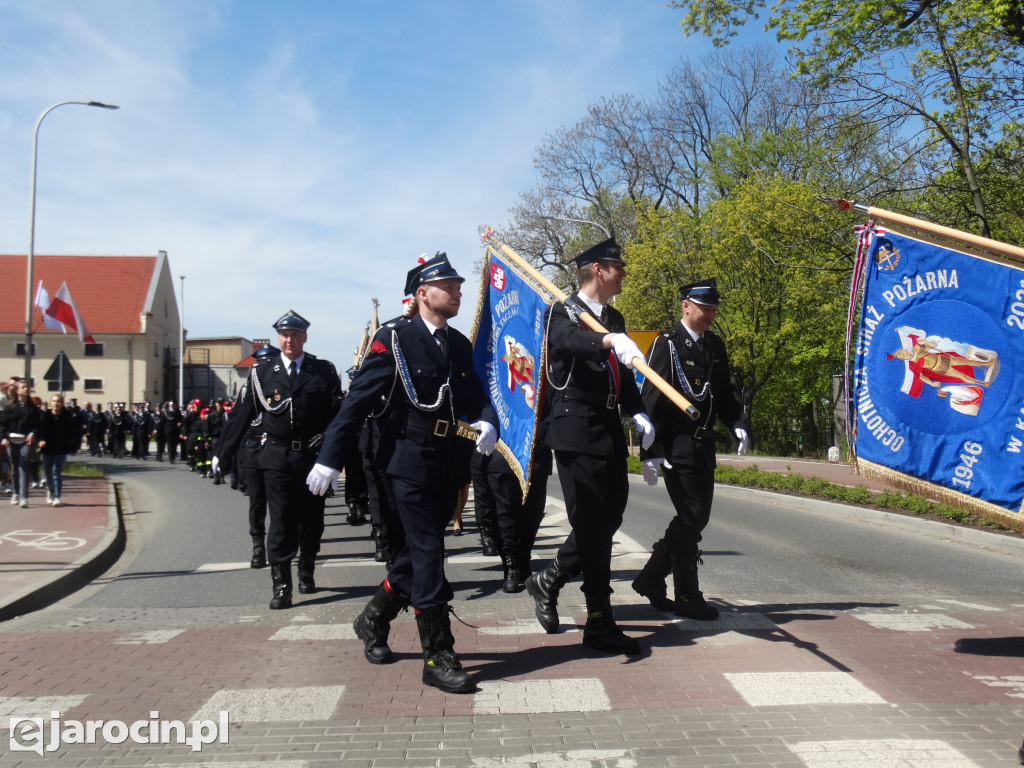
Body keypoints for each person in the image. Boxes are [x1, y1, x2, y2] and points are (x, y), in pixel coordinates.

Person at [307, 252, 499, 694]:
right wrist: (329, 458)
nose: (457, 292)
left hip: (448, 459)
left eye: (458, 286)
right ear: (423, 294)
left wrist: (488, 421)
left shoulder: (458, 343)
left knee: (416, 553)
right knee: (429, 552)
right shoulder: (393, 338)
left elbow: (474, 394)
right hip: (407, 460)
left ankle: (373, 618)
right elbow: (357, 402)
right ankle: (438, 654)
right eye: (448, 286)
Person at [524, 236, 655, 656]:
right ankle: (599, 621)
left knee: (609, 517)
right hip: (575, 428)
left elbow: (623, 372)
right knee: (593, 524)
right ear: (598, 269)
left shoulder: (613, 317)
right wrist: (607, 341)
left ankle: (549, 578)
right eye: (618, 267)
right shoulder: (562, 311)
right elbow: (568, 342)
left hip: (608, 426)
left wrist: (639, 411)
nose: (623, 273)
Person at [633, 278, 749, 620]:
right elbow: (651, 398)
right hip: (676, 444)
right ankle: (686, 594)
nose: (711, 314)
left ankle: (652, 578)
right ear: (686, 306)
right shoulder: (666, 344)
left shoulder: (714, 345)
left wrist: (738, 422)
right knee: (692, 516)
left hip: (703, 445)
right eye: (705, 308)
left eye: (714, 309)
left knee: (696, 518)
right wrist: (650, 451)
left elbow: (724, 394)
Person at [214, 311, 342, 609]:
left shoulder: (322, 370)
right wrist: (223, 452)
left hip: (312, 459)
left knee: (312, 521)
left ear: (304, 337)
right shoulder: (262, 373)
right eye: (284, 335)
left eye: (295, 335)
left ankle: (306, 566)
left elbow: (337, 416)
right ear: (278, 338)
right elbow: (242, 415)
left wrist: (328, 443)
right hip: (276, 457)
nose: (289, 340)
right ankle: (282, 585)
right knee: (281, 521)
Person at [0, 379, 42, 508]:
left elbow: (38, 424)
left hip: (25, 441)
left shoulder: (33, 408)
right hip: (11, 440)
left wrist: (33, 433)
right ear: (17, 390)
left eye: (27, 387)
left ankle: (24, 497)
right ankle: (16, 493)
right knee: (14, 468)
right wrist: (3, 438)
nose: (26, 389)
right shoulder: (10, 407)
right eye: (23, 387)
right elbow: (2, 424)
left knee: (24, 466)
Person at [38, 394, 78, 506]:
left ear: (62, 403)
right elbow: (39, 430)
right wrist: (40, 440)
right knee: (48, 473)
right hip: (47, 448)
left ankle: (57, 496)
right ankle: (50, 491)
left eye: (58, 401)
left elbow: (72, 432)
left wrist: (72, 445)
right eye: (54, 401)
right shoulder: (45, 416)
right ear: (50, 403)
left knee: (56, 472)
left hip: (61, 448)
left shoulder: (67, 416)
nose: (56, 403)